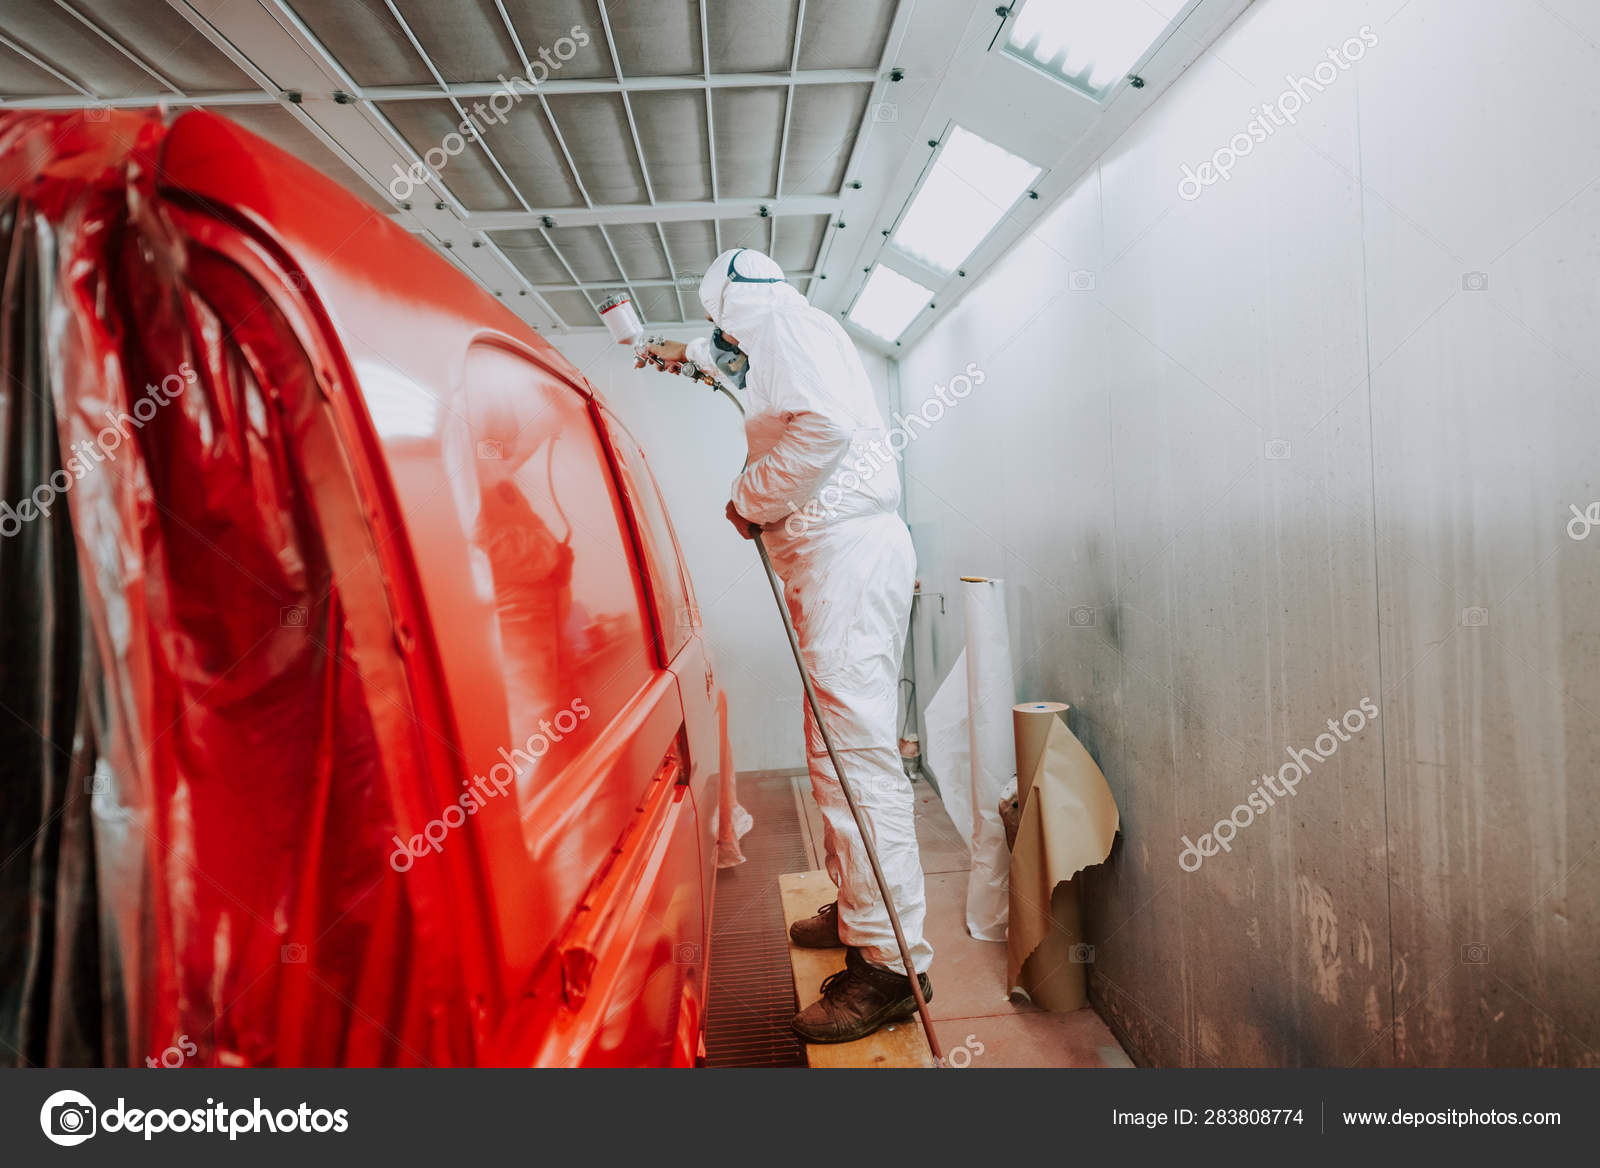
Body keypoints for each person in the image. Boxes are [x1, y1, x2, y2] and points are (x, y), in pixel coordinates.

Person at [639, 248, 932, 1043]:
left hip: (844, 558)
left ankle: (892, 967)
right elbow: (729, 365)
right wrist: (681, 355)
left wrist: (748, 498)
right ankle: (860, 909)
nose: (712, 339)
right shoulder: (778, 332)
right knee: (831, 749)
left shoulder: (790, 332)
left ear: (732, 306)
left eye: (714, 324)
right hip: (830, 559)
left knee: (859, 760)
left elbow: (824, 429)